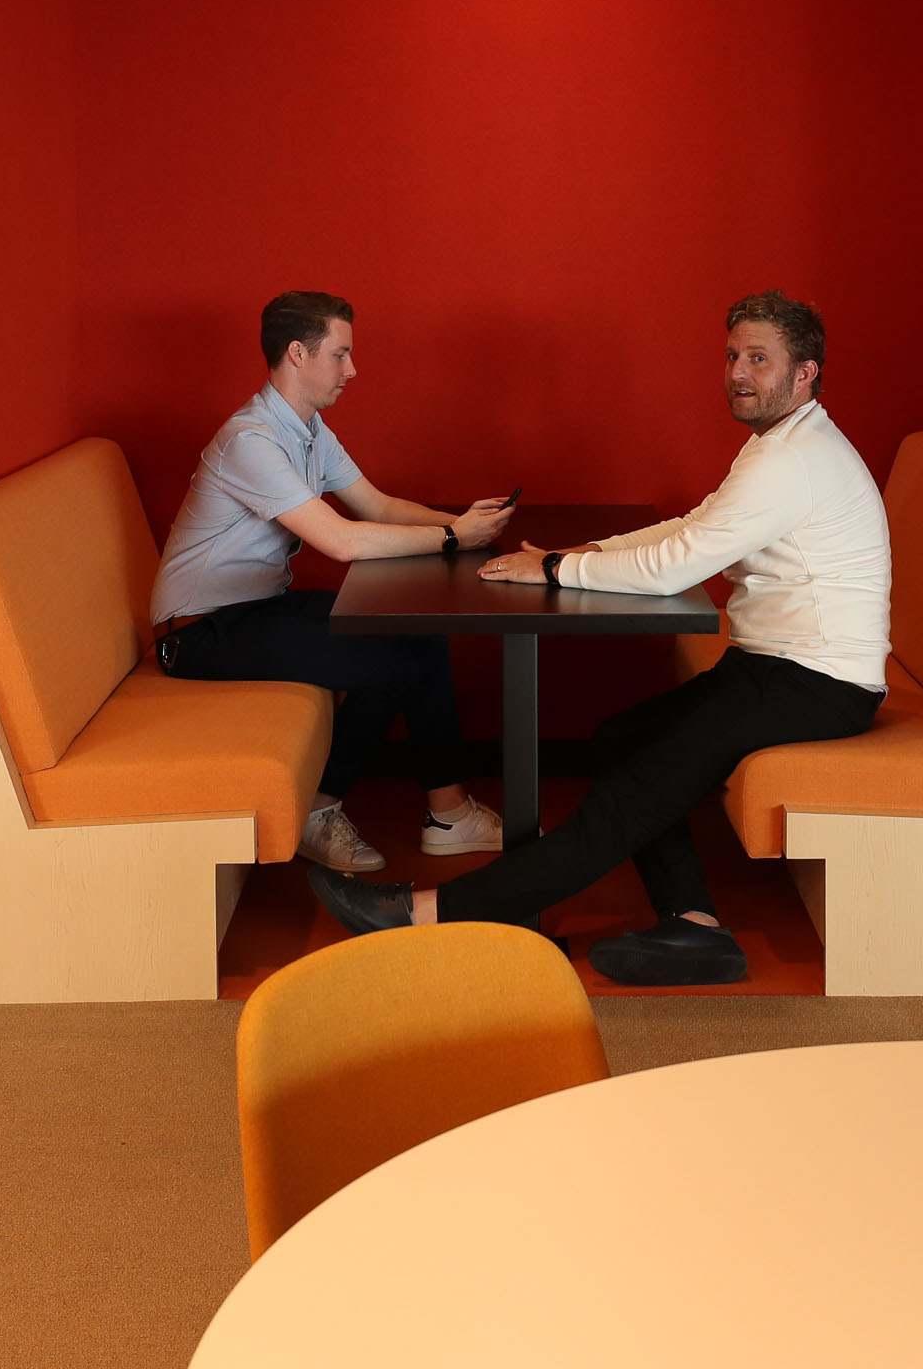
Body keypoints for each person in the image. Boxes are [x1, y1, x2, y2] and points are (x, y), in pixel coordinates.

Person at [305, 290, 891, 988]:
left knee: (634, 785)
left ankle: (430, 912)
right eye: (733, 355)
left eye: (759, 359)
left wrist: (556, 568)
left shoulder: (790, 460)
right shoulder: (782, 445)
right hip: (777, 668)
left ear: (805, 374)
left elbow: (681, 563)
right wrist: (587, 551)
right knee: (622, 739)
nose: (738, 372)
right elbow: (691, 527)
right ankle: (695, 925)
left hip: (817, 683)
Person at [151, 292, 517, 874]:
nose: (352, 370)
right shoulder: (253, 439)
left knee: (419, 633)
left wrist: (462, 523)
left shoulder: (307, 428)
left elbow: (377, 504)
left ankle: (449, 815)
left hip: (257, 609)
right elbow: (344, 541)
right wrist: (453, 542)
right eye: (341, 355)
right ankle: (318, 811)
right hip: (202, 631)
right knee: (390, 667)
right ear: (298, 353)